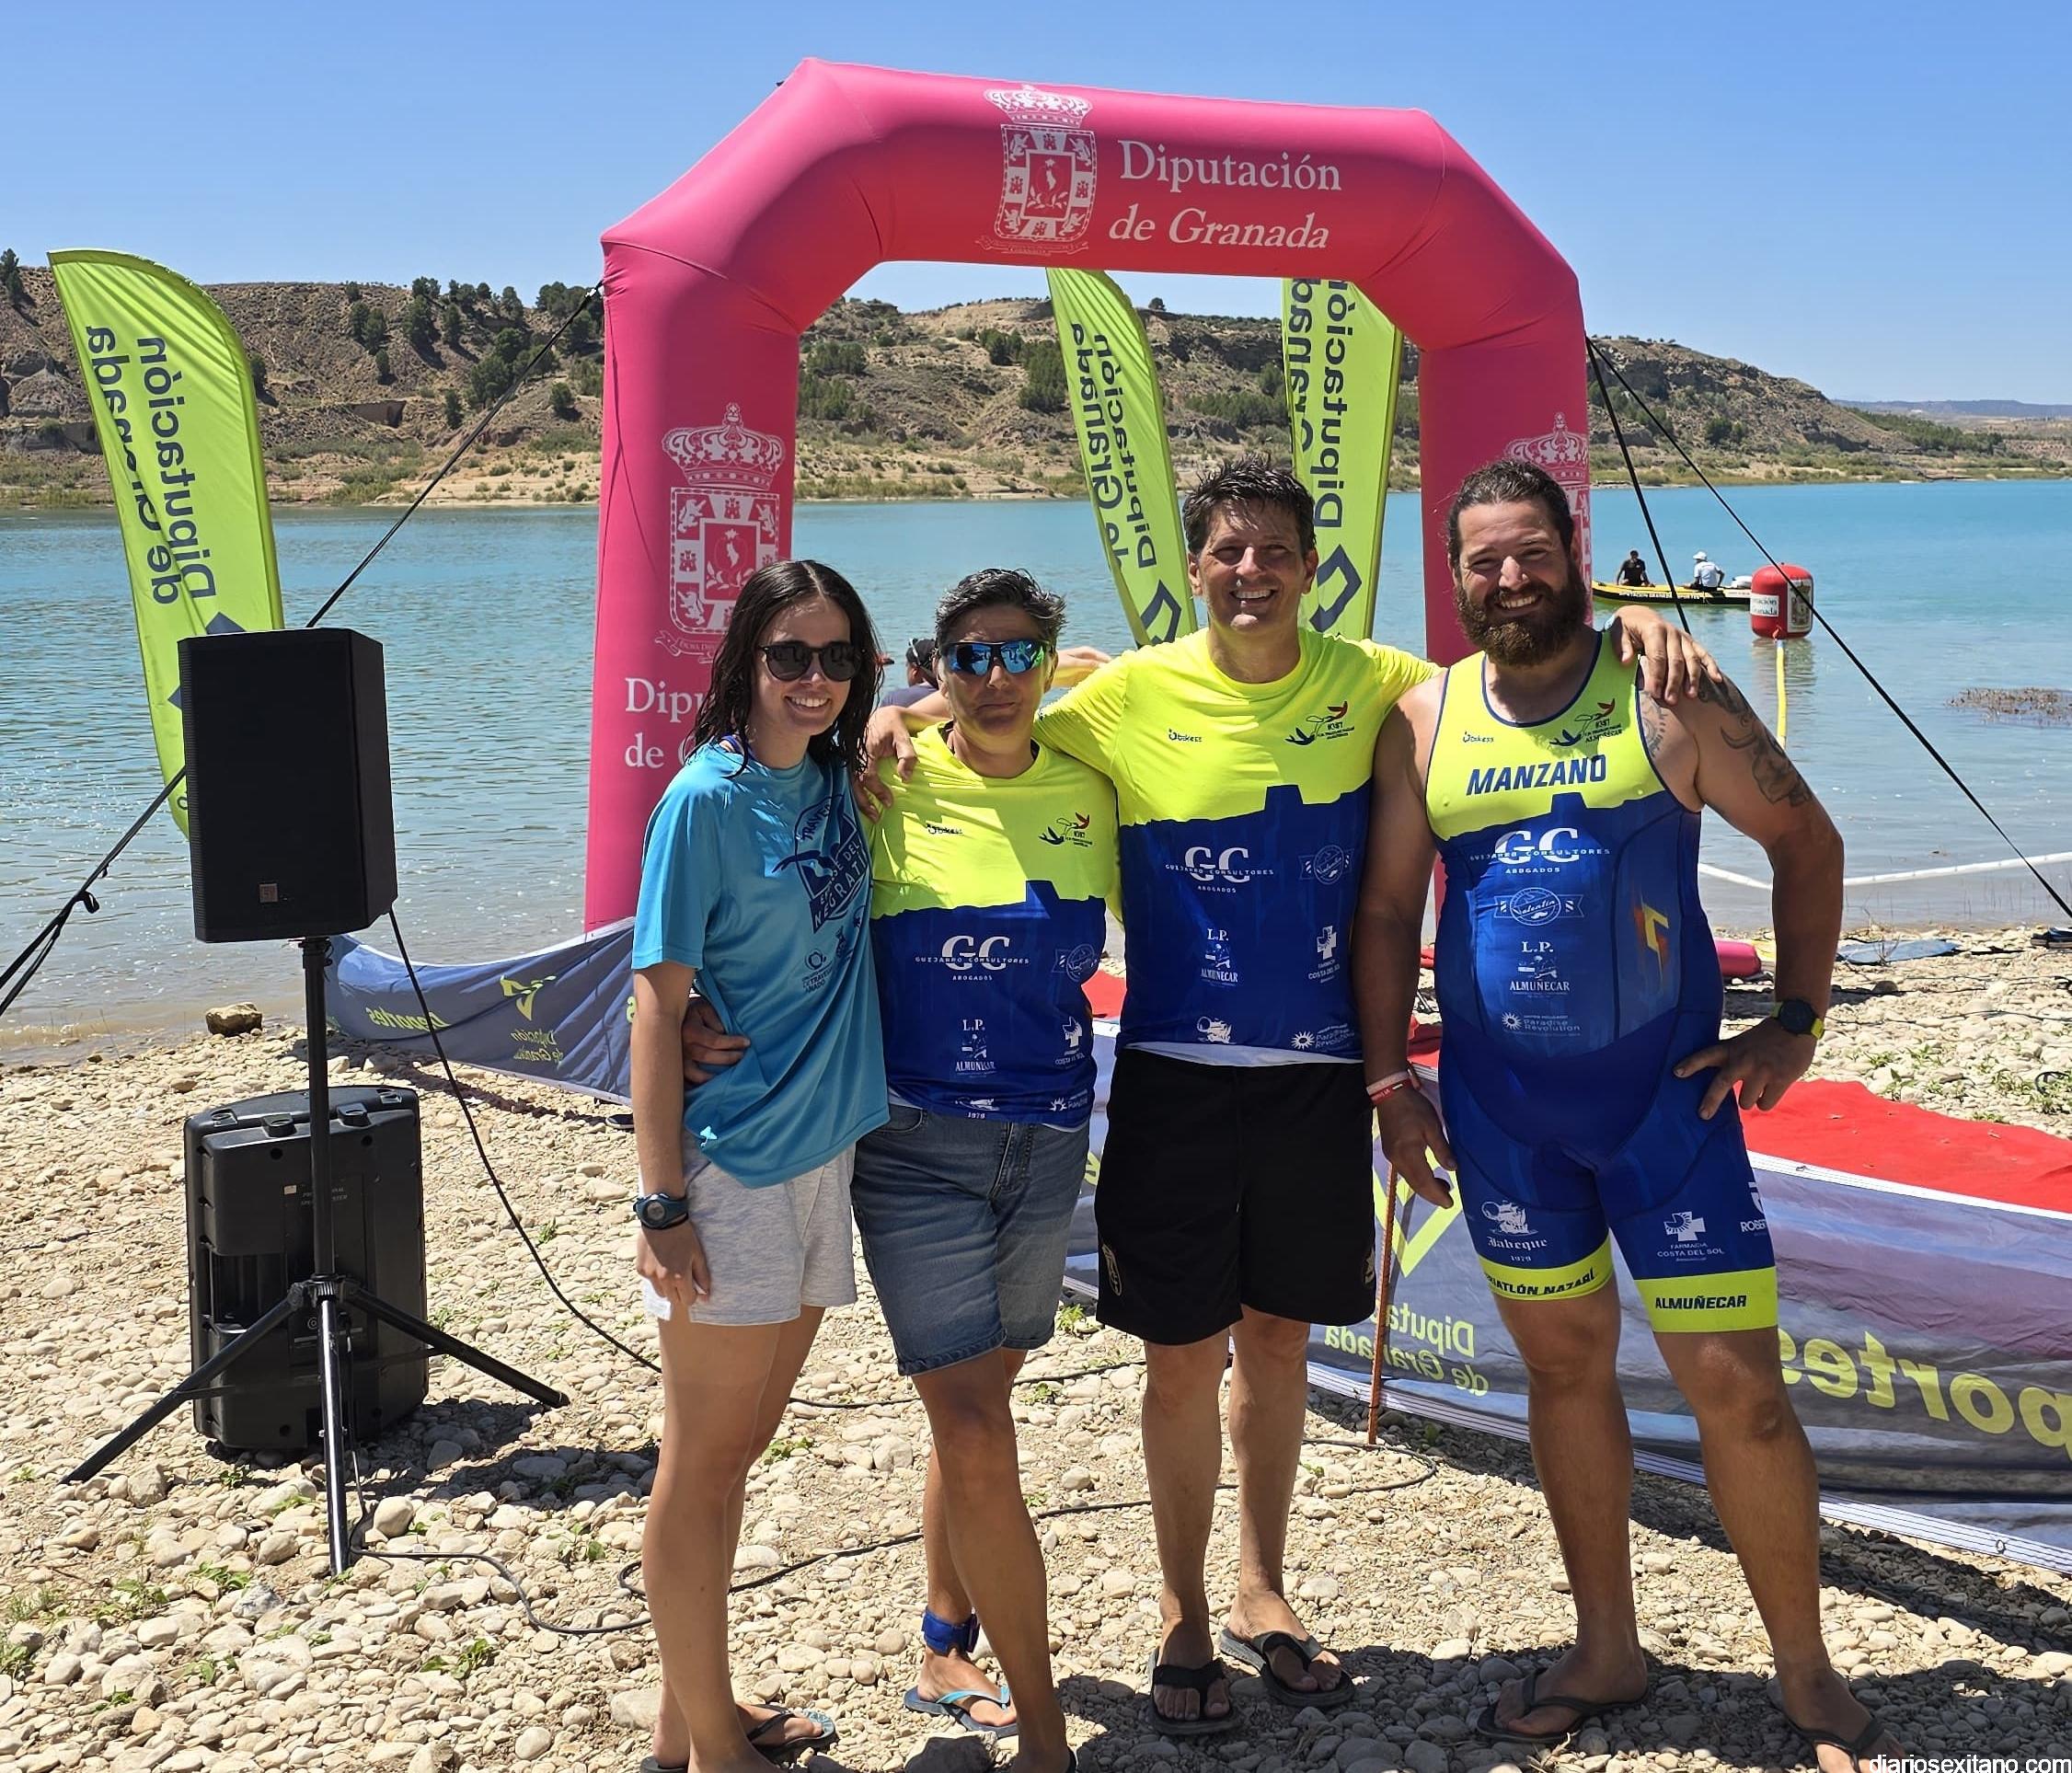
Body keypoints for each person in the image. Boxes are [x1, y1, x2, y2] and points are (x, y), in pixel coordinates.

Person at [867, 460, 1717, 1737]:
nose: (1251, 571)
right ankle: (1182, 1613)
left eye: (1275, 550)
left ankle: (1260, 1589)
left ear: (1313, 568)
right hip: (1173, 1078)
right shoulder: (1126, 694)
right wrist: (905, 710)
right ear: (1193, 569)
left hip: (1320, 1084)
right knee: (1179, 1361)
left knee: (1277, 1348)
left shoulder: (1382, 683)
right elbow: (1001, 707)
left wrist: (1634, 624)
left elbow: (1518, 679)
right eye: (1227, 551)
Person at [1351, 460, 1901, 1770]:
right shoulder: (1422, 720)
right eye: (1484, 560)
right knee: (1562, 1375)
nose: (1510, 579)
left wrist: (1797, 1020)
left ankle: (1806, 1670)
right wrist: (1388, 1083)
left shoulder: (1671, 690)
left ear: (1574, 553)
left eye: (1532, 552)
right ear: (1456, 577)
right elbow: (1384, 911)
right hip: (1504, 1121)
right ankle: (1608, 1648)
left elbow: (1807, 842)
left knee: (1740, 1396)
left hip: (1669, 1112)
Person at [850, 567, 1114, 1773]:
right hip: (915, 1144)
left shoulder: (1093, 772)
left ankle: (943, 1638)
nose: (996, 677)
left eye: (1020, 655)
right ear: (936, 665)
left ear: (1049, 662)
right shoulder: (883, 779)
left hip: (1048, 1137)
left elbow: (1141, 676)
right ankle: (1045, 1729)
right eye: (969, 657)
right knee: (968, 1421)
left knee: (980, 1410)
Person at [631, 559, 887, 1773]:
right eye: (791, 656)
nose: (814, 680)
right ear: (746, 659)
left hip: (823, 1157)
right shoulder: (704, 802)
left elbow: (945, 702)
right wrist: (661, 1200)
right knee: (701, 1465)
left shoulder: (836, 777)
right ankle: (713, 1755)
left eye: (838, 659)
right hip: (731, 1167)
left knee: (738, 1456)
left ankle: (689, 1720)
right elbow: (653, 1004)